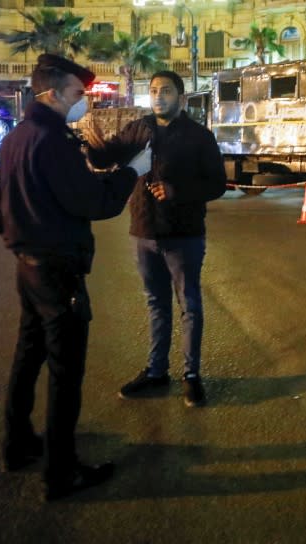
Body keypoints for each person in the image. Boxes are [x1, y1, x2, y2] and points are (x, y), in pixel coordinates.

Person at [0, 54, 152, 500]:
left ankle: (18, 444)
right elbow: (92, 202)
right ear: (53, 94)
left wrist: (17, 244)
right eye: (79, 95)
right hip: (59, 270)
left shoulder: (17, 137)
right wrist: (131, 173)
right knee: (66, 372)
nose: (85, 102)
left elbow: (1, 206)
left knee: (28, 356)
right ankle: (62, 472)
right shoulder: (53, 141)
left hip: (28, 266)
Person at [84, 70, 227, 408]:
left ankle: (191, 376)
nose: (159, 96)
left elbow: (217, 183)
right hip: (144, 232)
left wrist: (178, 191)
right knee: (156, 305)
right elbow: (109, 157)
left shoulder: (198, 136)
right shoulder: (139, 128)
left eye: (166, 90)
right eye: (154, 91)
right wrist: (93, 145)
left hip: (185, 235)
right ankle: (156, 372)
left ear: (181, 96)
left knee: (189, 305)